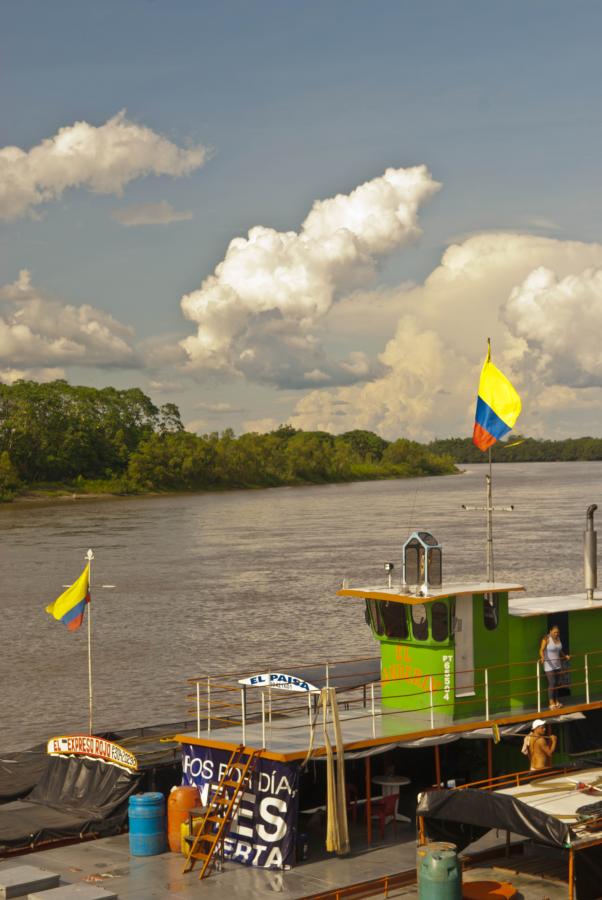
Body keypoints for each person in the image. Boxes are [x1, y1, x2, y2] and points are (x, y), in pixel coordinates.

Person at [539, 624, 570, 710]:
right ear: (550, 631)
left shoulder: (558, 638)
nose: (556, 634)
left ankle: (557, 701)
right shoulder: (546, 638)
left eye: (557, 632)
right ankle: (551, 703)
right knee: (552, 683)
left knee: (557, 684)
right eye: (554, 632)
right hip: (549, 665)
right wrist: (542, 657)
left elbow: (559, 650)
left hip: (557, 665)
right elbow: (541, 649)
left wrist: (565, 656)